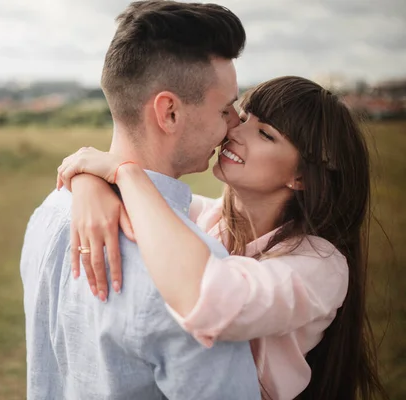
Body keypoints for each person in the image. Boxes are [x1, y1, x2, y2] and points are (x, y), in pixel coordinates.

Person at [56, 76, 387, 400]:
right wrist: (90, 184)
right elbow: (101, 173)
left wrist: (124, 173)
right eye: (242, 117)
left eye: (265, 134)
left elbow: (211, 300)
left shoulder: (321, 266)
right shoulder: (201, 216)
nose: (234, 130)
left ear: (300, 176)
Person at [20, 1, 261, 399]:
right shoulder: (197, 277)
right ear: (168, 113)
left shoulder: (48, 213)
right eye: (224, 108)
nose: (235, 122)